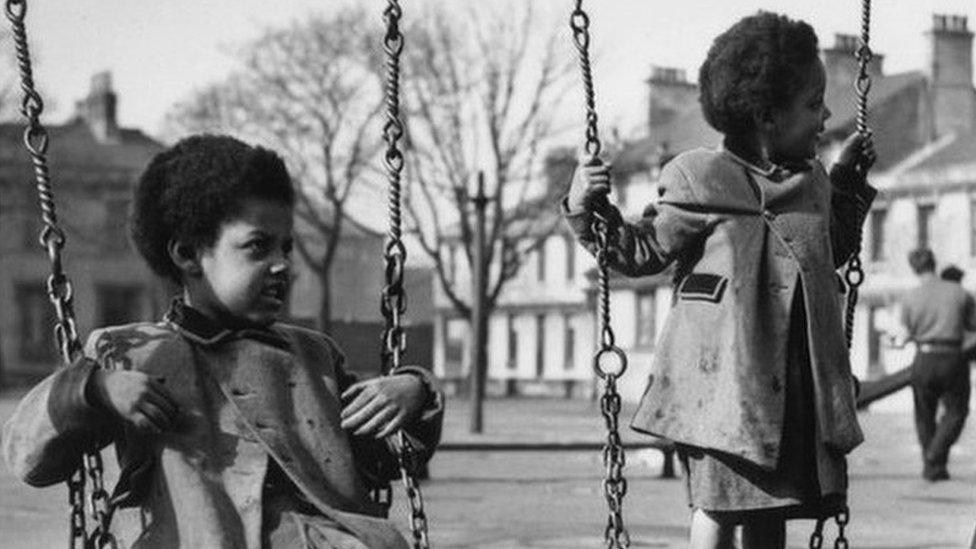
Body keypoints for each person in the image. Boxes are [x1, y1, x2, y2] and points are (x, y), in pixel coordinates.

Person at [2, 135, 443, 548]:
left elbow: (382, 460)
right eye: (258, 247)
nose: (282, 265)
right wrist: (94, 390)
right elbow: (29, 460)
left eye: (286, 248)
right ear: (188, 254)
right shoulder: (131, 352)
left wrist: (412, 392)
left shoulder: (313, 355)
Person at [564, 12, 876, 549]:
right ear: (766, 117)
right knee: (719, 508)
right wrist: (583, 204)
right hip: (724, 388)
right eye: (812, 103)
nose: (826, 116)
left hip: (794, 389)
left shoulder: (814, 183)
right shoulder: (699, 177)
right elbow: (642, 250)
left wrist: (847, 180)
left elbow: (832, 249)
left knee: (770, 513)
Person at [896, 248, 975, 481]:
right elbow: (973, 326)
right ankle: (935, 459)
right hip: (952, 357)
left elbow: (905, 333)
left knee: (924, 415)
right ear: (934, 263)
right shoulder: (960, 293)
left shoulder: (910, 297)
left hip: (924, 358)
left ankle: (931, 465)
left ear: (913, 268)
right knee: (957, 411)